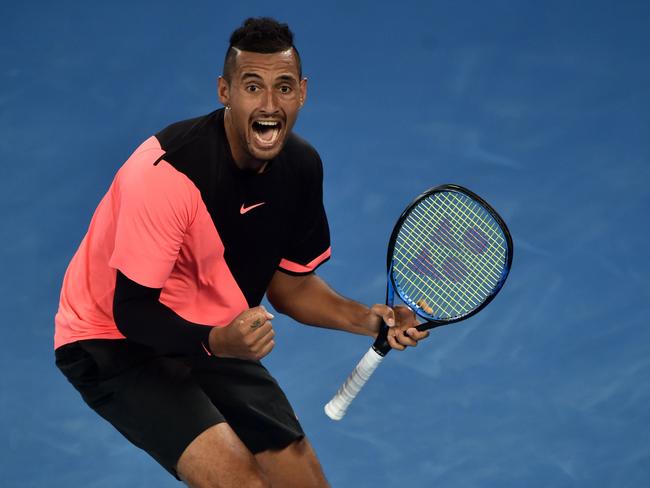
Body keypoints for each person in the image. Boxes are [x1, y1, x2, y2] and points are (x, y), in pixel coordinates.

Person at [54, 17, 430, 488]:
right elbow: (130, 310)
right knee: (241, 481)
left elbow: (289, 285)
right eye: (253, 86)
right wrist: (218, 342)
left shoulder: (300, 168)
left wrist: (371, 321)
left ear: (302, 93)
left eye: (284, 87)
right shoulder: (167, 176)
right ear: (225, 91)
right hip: (111, 337)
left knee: (303, 479)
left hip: (213, 328)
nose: (270, 104)